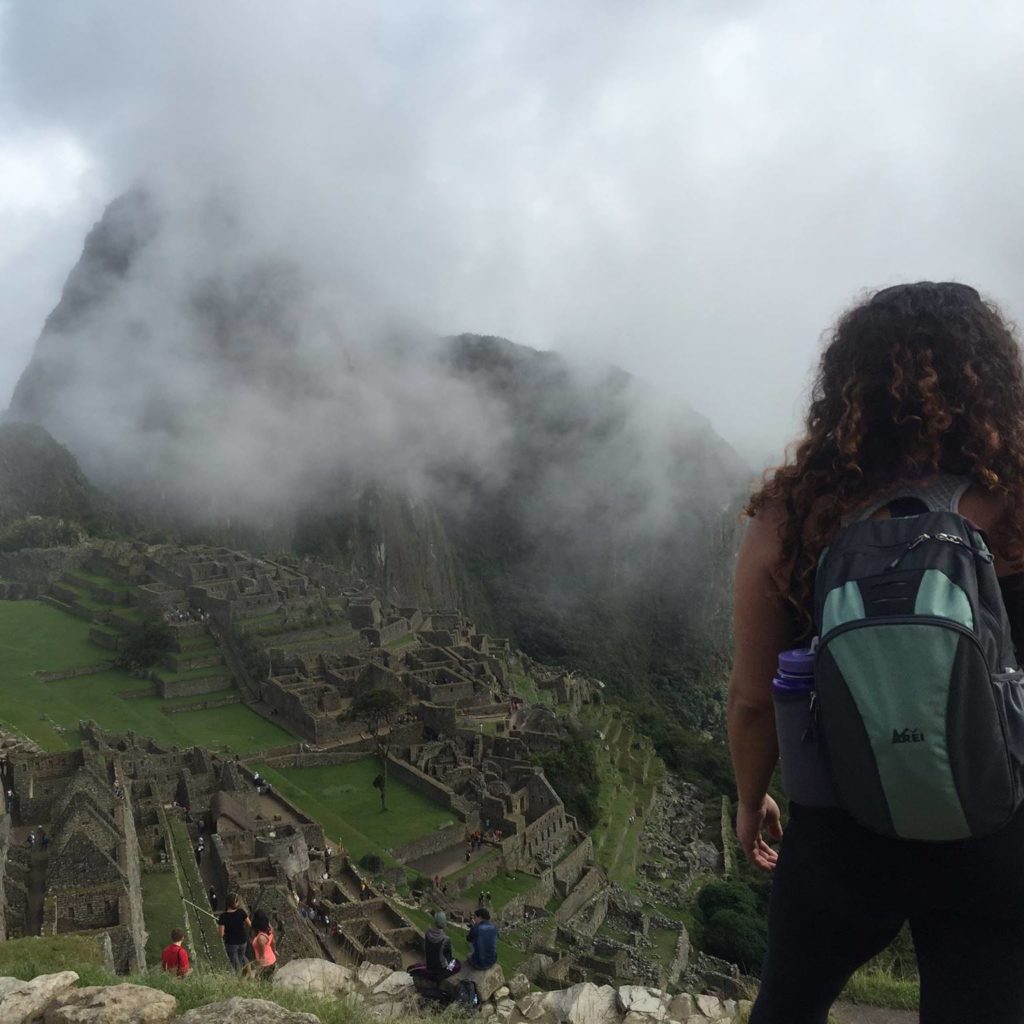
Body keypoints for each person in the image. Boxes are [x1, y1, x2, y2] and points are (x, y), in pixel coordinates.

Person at [730, 282, 1024, 1023]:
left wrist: (748, 797)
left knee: (789, 1007)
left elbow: (753, 696)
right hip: (998, 830)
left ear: (847, 387)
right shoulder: (1018, 500)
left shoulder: (793, 513)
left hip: (841, 829)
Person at [411, 911, 461, 983]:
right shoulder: (446, 939)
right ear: (444, 923)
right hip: (440, 969)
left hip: (429, 965)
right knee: (455, 962)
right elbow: (448, 956)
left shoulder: (428, 932)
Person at [218, 892, 251, 971]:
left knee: (236, 964)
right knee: (241, 957)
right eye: (237, 901)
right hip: (243, 941)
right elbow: (249, 924)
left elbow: (221, 934)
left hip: (231, 943)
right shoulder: (241, 912)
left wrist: (220, 929)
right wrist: (242, 927)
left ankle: (239, 977)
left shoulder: (223, 917)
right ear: (234, 903)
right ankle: (246, 973)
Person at [245, 909, 277, 978]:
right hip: (272, 960)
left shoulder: (260, 938)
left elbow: (262, 956)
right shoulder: (270, 931)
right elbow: (273, 942)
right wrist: (275, 951)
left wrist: (258, 968)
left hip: (266, 964)